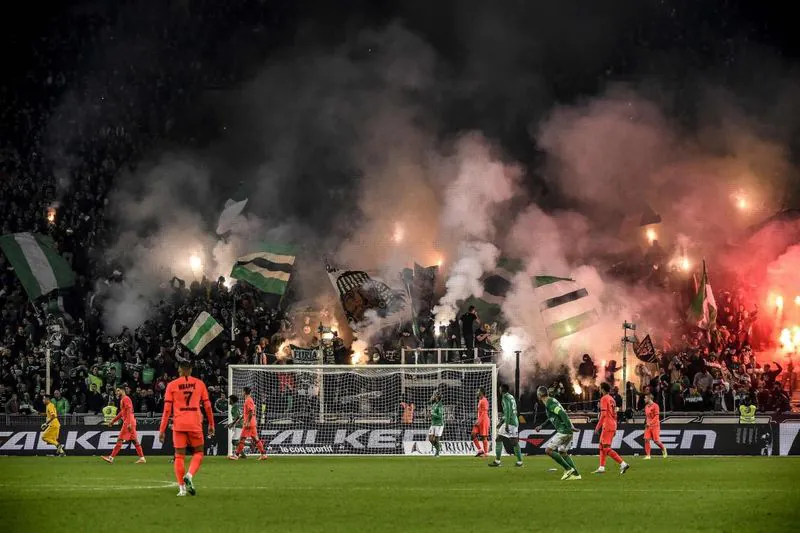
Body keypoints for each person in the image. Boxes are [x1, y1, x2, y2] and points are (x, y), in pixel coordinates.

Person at [159, 361, 215, 497]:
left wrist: (162, 430)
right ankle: (189, 475)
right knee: (199, 452)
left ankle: (182, 489)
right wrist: (211, 424)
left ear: (179, 370)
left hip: (179, 424)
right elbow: (207, 407)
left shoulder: (171, 385)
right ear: (190, 370)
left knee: (179, 456)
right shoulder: (200, 384)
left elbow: (167, 410)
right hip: (195, 423)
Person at [534, 386, 580, 480]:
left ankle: (568, 469)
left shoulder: (549, 404)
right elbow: (552, 417)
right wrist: (542, 426)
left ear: (539, 395)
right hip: (568, 430)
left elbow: (561, 413)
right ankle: (576, 474)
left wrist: (569, 426)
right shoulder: (552, 401)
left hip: (564, 430)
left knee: (548, 450)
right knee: (562, 452)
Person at [101, 387, 146, 464]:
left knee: (120, 439)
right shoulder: (123, 400)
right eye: (116, 391)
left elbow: (129, 410)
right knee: (134, 441)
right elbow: (122, 413)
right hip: (131, 421)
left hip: (128, 422)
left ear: (123, 391)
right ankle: (142, 458)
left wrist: (128, 423)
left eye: (118, 391)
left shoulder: (125, 399)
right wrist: (113, 421)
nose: (117, 392)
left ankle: (111, 458)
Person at [593, 382, 629, 474]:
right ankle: (601, 467)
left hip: (607, 425)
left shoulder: (604, 399)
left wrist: (597, 427)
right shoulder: (612, 399)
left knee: (605, 448)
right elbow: (615, 415)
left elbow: (603, 415)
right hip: (612, 424)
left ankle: (623, 464)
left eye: (600, 388)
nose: (600, 390)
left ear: (603, 389)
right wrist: (615, 427)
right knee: (601, 446)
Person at [489, 384, 522, 467]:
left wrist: (506, 424)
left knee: (498, 439)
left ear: (502, 390)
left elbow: (507, 412)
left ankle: (497, 461)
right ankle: (520, 462)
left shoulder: (505, 397)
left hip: (510, 422)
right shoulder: (511, 397)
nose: (499, 390)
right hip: (514, 421)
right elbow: (513, 410)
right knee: (514, 442)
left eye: (500, 388)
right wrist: (501, 422)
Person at [231, 387, 268, 460]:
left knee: (242, 439)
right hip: (252, 423)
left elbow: (251, 412)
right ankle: (263, 454)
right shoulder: (249, 400)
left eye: (242, 392)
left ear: (244, 392)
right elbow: (250, 412)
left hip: (249, 424)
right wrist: (241, 419)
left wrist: (247, 422)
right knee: (256, 439)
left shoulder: (248, 400)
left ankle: (236, 456)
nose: (242, 393)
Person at [643, 393, 667, 459]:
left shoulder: (655, 406)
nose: (644, 399)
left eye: (645, 398)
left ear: (649, 398)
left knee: (656, 441)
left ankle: (663, 449)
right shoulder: (646, 406)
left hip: (655, 425)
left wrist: (650, 423)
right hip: (648, 426)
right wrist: (646, 423)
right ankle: (648, 455)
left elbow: (657, 417)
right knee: (646, 439)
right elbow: (647, 417)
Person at [471, 388, 490, 457]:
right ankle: (480, 450)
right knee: (473, 434)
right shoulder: (480, 400)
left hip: (484, 420)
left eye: (478, 391)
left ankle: (486, 453)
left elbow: (485, 412)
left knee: (484, 437)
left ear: (481, 392)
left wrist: (479, 420)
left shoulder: (484, 401)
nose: (477, 392)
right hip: (480, 420)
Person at [227, 394, 244, 459]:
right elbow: (240, 416)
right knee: (236, 441)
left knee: (234, 441)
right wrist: (231, 423)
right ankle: (242, 454)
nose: (229, 401)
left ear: (232, 400)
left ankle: (249, 445)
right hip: (240, 424)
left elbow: (238, 417)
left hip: (239, 425)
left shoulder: (234, 407)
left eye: (230, 400)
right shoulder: (237, 406)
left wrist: (232, 424)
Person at [428, 391, 444, 457]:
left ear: (437, 397)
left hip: (439, 424)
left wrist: (432, 414)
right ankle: (438, 447)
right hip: (433, 424)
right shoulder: (434, 404)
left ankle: (437, 453)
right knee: (430, 439)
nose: (433, 397)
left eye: (435, 396)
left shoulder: (440, 405)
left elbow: (440, 416)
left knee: (437, 439)